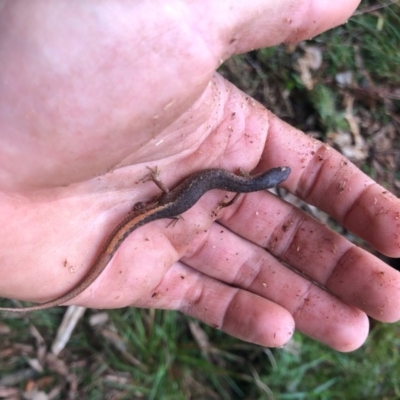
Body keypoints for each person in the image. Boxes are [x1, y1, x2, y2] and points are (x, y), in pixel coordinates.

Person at [0, 0, 399, 352]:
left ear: (267, 177)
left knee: (153, 212)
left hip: (166, 204)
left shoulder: (241, 178)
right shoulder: (239, 181)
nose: (273, 173)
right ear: (267, 178)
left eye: (275, 175)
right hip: (165, 204)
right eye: (276, 174)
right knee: (153, 212)